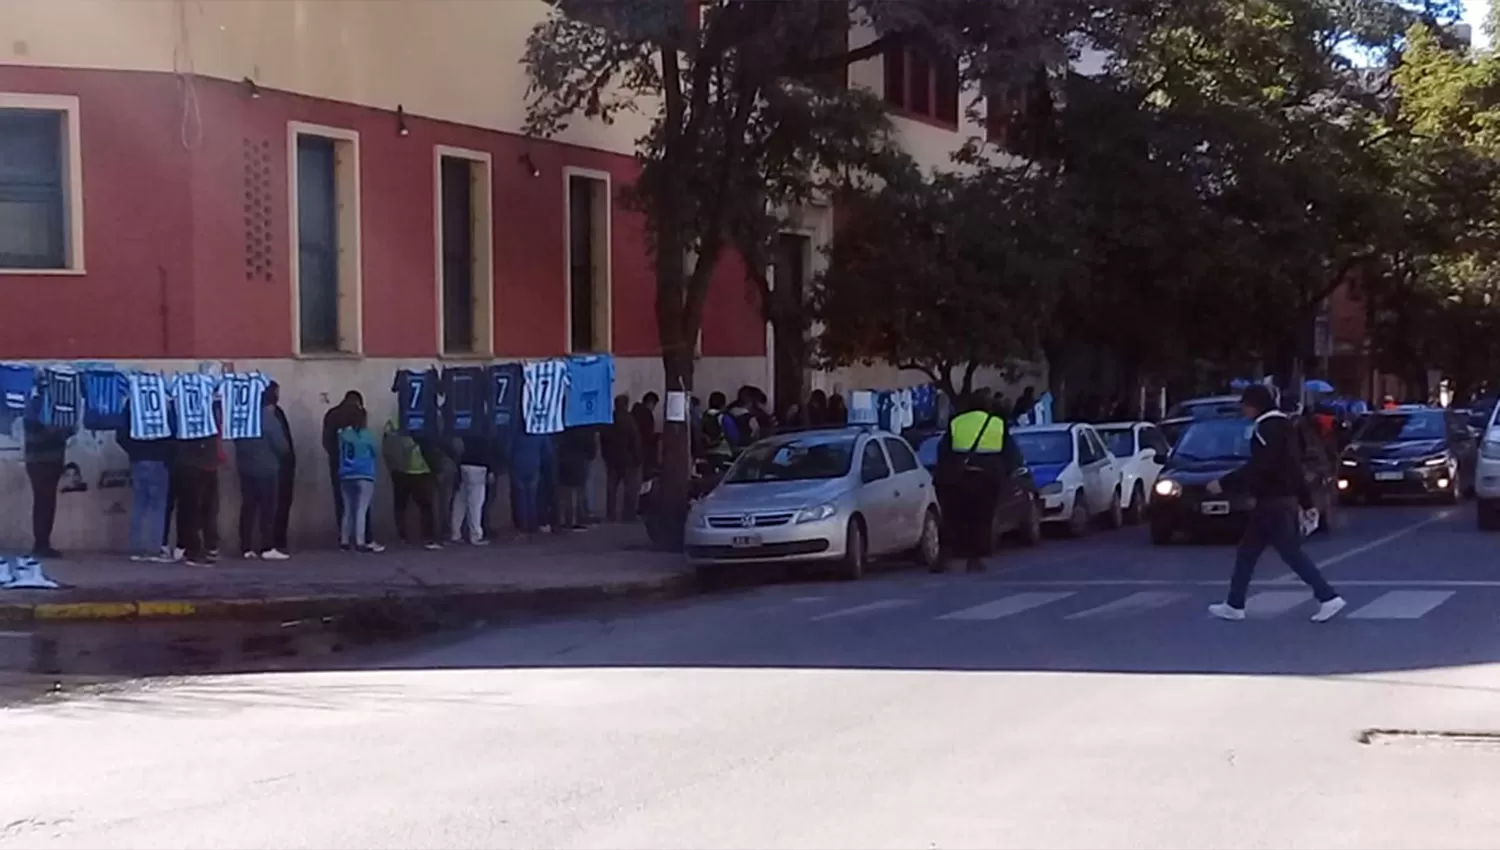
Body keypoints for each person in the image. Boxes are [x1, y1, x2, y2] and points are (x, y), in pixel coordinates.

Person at [1206, 385, 1346, 623]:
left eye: (1245, 404)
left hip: (1272, 501)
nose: (1243, 409)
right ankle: (1234, 603)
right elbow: (1294, 468)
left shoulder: (1265, 429)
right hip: (1280, 500)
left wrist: (1225, 483)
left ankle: (1328, 597)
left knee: (1289, 554)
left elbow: (1262, 465)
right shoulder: (1286, 428)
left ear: (1255, 405)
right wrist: (1306, 501)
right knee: (1248, 552)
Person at [935, 394, 1014, 573]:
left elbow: (943, 450)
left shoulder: (957, 422)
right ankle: (974, 559)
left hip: (958, 477)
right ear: (987, 406)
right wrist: (1003, 475)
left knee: (952, 518)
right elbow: (1010, 454)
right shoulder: (997, 424)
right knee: (981, 520)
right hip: (987, 479)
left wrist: (945, 474)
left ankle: (944, 557)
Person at [233, 393, 291, 560]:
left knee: (248, 508)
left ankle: (246, 547)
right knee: (268, 510)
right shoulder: (269, 420)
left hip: (245, 468)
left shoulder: (243, 418)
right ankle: (267, 546)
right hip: (267, 469)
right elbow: (282, 446)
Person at [117, 409, 174, 562]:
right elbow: (174, 431)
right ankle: (154, 549)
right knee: (158, 506)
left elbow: (120, 435)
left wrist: (134, 452)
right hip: (159, 460)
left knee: (138, 505)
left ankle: (136, 548)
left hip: (138, 460)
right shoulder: (163, 401)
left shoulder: (133, 401)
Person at [383, 417, 441, 549]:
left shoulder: (395, 419)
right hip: (421, 469)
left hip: (403, 470)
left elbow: (387, 443)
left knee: (402, 505)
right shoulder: (427, 416)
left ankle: (403, 535)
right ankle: (427, 538)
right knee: (425, 506)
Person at [322, 391, 370, 546]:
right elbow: (366, 440)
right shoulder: (359, 414)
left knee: (343, 504)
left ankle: (344, 539)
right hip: (361, 466)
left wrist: (337, 457)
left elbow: (326, 441)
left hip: (339, 465)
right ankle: (364, 539)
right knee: (363, 505)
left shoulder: (331, 414)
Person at [336, 409, 385, 553]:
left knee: (347, 509)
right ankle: (360, 541)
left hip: (346, 474)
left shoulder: (343, 435)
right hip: (364, 474)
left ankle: (344, 542)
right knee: (362, 509)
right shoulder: (367, 436)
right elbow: (375, 452)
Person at [23, 416, 68, 559]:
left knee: (43, 503)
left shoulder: (33, 407)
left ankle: (42, 543)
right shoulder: (40, 410)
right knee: (45, 503)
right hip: (45, 460)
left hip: (39, 460)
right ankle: (42, 544)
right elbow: (52, 431)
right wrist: (62, 429)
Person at [173, 432, 220, 567]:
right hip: (196, 463)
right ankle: (193, 550)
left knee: (198, 508)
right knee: (192, 509)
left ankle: (193, 548)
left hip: (200, 464)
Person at [601, 393, 643, 522]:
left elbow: (604, 440)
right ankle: (628, 514)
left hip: (612, 459)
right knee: (630, 488)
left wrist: (606, 456)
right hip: (628, 459)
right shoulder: (629, 420)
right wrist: (638, 457)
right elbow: (635, 440)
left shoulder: (609, 419)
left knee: (611, 488)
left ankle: (611, 514)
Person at [267, 382, 297, 553]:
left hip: (279, 467)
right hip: (279, 468)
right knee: (277, 506)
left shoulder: (275, 413)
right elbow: (282, 444)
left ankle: (275, 540)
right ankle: (276, 541)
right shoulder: (273, 415)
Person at [450, 431, 491, 545]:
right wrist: (491, 469)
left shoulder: (467, 428)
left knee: (460, 501)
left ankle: (455, 533)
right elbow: (490, 450)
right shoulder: (486, 429)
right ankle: (475, 536)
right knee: (475, 503)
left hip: (464, 464)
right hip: (479, 466)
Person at [556, 426, 596, 530]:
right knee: (578, 491)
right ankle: (577, 518)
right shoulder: (583, 428)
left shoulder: (561, 429)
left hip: (564, 461)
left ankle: (567, 520)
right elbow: (589, 446)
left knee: (566, 493)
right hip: (579, 460)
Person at [631, 392, 660, 473]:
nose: (654, 408)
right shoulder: (646, 415)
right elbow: (647, 435)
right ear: (650, 403)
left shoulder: (634, 411)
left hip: (632, 449)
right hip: (642, 449)